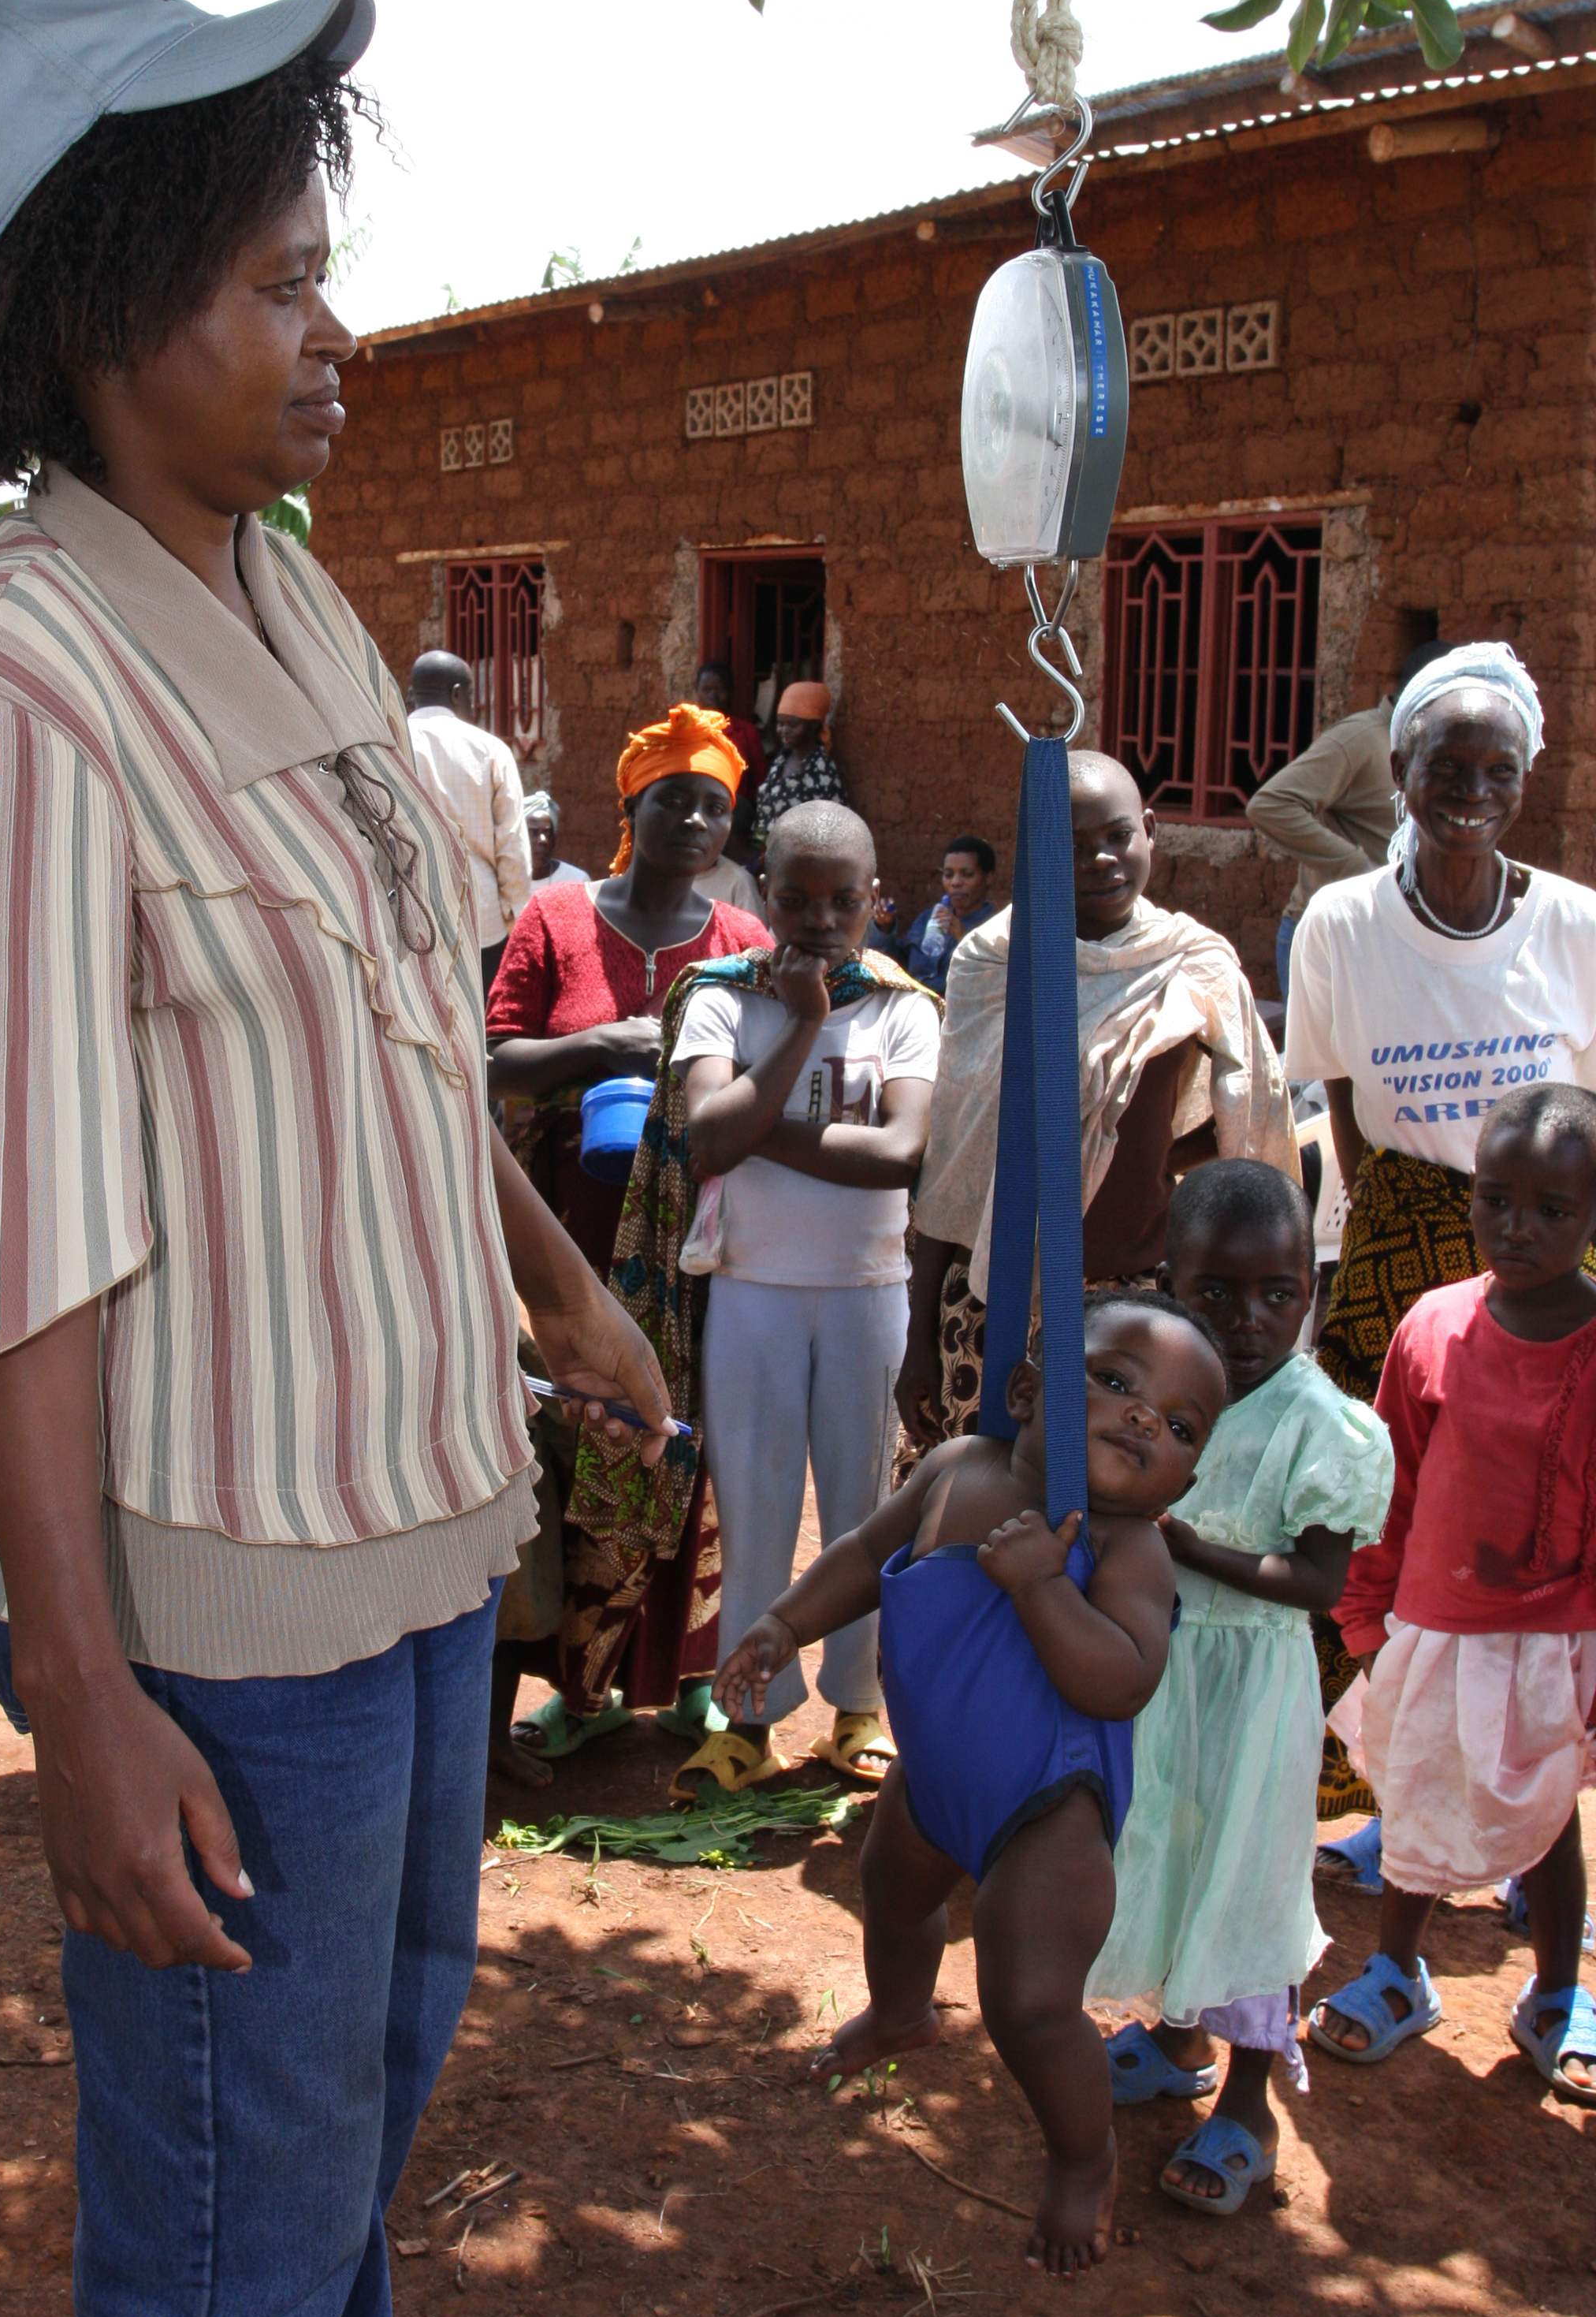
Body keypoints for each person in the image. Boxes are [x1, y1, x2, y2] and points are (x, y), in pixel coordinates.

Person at [0, 0, 666, 2317]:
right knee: (213, 2255)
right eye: (277, 282)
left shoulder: (285, 602)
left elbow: (399, 1033)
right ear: (96, 311)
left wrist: (556, 1290)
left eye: (324, 266)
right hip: (210, 1609)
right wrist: (82, 1703)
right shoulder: (17, 677)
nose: (335, 326)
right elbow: (19, 1243)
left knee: (346, 2131)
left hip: (409, 1530)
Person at [716, 1292, 1226, 2272]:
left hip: (1049, 1811)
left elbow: (1122, 1683)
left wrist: (1041, 1585)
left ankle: (1083, 2159)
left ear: (1184, 1477)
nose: (1138, 1419)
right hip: (936, 1775)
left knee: (1030, 2003)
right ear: (1030, 1390)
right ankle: (903, 2012)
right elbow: (868, 1553)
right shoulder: (958, 1470)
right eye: (1116, 1383)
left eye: (1175, 1425)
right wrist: (785, 1622)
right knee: (892, 1894)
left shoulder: (1129, 1550)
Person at [1283, 640, 1596, 1828]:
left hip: (1553, 1264)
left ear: (1524, 782)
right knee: (1382, 1514)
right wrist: (1389, 1233)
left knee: (1541, 1530)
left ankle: (1531, 1811)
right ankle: (1383, 1793)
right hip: (1400, 1242)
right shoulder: (1343, 924)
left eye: (1496, 768)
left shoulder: (1575, 926)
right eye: (1444, 763)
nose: (1470, 789)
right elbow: (1344, 1108)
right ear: (1399, 767)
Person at [1088, 1162, 1393, 2215]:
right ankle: (1177, 2043)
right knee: (1164, 1845)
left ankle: (1252, 2106)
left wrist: (1180, 1545)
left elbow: (1314, 1582)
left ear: (1310, 1288)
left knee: (1252, 1877)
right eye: (1215, 1291)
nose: (1249, 1319)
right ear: (1172, 1281)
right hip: (1162, 1671)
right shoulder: (1161, 1392)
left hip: (1257, 1685)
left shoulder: (1325, 1424)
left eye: (1279, 1293)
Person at [485, 705, 761, 1772]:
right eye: (673, 800)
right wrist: (600, 1046)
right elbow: (493, 1058)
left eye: (714, 806)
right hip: (566, 1240)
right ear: (630, 807)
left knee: (682, 1459)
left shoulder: (740, 942)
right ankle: (580, 1688)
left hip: (696, 1246)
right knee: (571, 1457)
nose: (694, 820)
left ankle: (682, 1683)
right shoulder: (554, 921)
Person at [1312, 1086, 1596, 2098]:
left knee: (1550, 1810)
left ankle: (1557, 1990)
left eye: (1553, 1210)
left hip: (1557, 1636)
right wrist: (1365, 1614)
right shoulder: (1432, 1328)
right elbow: (1393, 1488)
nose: (1517, 1228)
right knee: (1421, 1799)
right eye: (1496, 1199)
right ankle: (1397, 1969)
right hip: (1436, 1626)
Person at [902, 749, 1297, 1448]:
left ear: (1151, 830)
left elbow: (1249, 1120)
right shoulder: (995, 961)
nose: (1101, 860)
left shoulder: (1193, 960)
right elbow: (956, 1159)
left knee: (1123, 1516)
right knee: (981, 1509)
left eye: (1118, 836)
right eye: (1073, 846)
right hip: (998, 1292)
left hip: (1142, 1292)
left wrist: (1141, 1154)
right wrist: (918, 1334)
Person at [673, 802, 938, 1795]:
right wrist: (806, 1025)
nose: (820, 921)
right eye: (796, 900)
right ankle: (748, 1718)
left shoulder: (905, 1006)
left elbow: (902, 1155)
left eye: (843, 902)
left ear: (877, 900)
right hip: (752, 1292)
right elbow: (704, 1140)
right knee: (754, 1509)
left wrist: (748, 1121)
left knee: (866, 1512)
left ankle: (857, 1707)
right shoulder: (721, 999)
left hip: (868, 1294)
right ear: (763, 898)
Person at [1246, 641, 1449, 1004]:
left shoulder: (1433, 751)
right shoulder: (1362, 738)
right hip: (1329, 936)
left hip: (1392, 936)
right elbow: (1271, 804)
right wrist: (1355, 866)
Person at [404, 648, 530, 992]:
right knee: (479, 1030)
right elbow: (512, 846)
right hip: (481, 919)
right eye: (471, 696)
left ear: (413, 694)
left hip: (405, 917)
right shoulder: (490, 750)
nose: (473, 706)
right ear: (457, 693)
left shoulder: (389, 745)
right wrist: (517, 921)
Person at [750, 680, 846, 858]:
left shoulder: (822, 772)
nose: (784, 730)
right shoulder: (781, 760)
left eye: (793, 725)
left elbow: (834, 832)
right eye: (780, 723)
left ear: (814, 725)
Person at [910, 835, 998, 989]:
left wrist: (965, 939)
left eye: (967, 874)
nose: (956, 883)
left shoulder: (995, 929)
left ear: (989, 878)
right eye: (948, 875)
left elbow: (994, 984)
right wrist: (884, 929)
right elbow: (896, 964)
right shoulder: (927, 919)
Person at [694, 656, 765, 836]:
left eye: (720, 690)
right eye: (707, 690)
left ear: (731, 692)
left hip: (733, 822)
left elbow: (760, 783)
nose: (713, 697)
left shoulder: (747, 733)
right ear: (696, 691)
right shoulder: (686, 733)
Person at [523, 788, 586, 888]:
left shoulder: (577, 881)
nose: (543, 840)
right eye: (533, 833)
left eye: (548, 833)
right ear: (521, 837)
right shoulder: (505, 881)